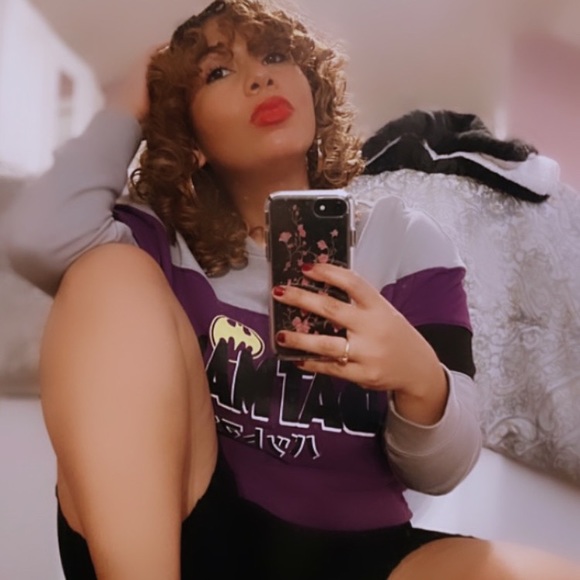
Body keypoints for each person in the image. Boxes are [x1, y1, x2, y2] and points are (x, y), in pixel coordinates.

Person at [5, 1, 580, 578]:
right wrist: (128, 102)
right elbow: (36, 235)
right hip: (199, 533)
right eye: (218, 71)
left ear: (313, 91)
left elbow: (440, 473)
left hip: (363, 548)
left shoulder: (409, 243)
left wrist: (419, 378)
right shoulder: (160, 242)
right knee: (105, 273)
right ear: (190, 137)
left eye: (276, 55)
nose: (260, 77)